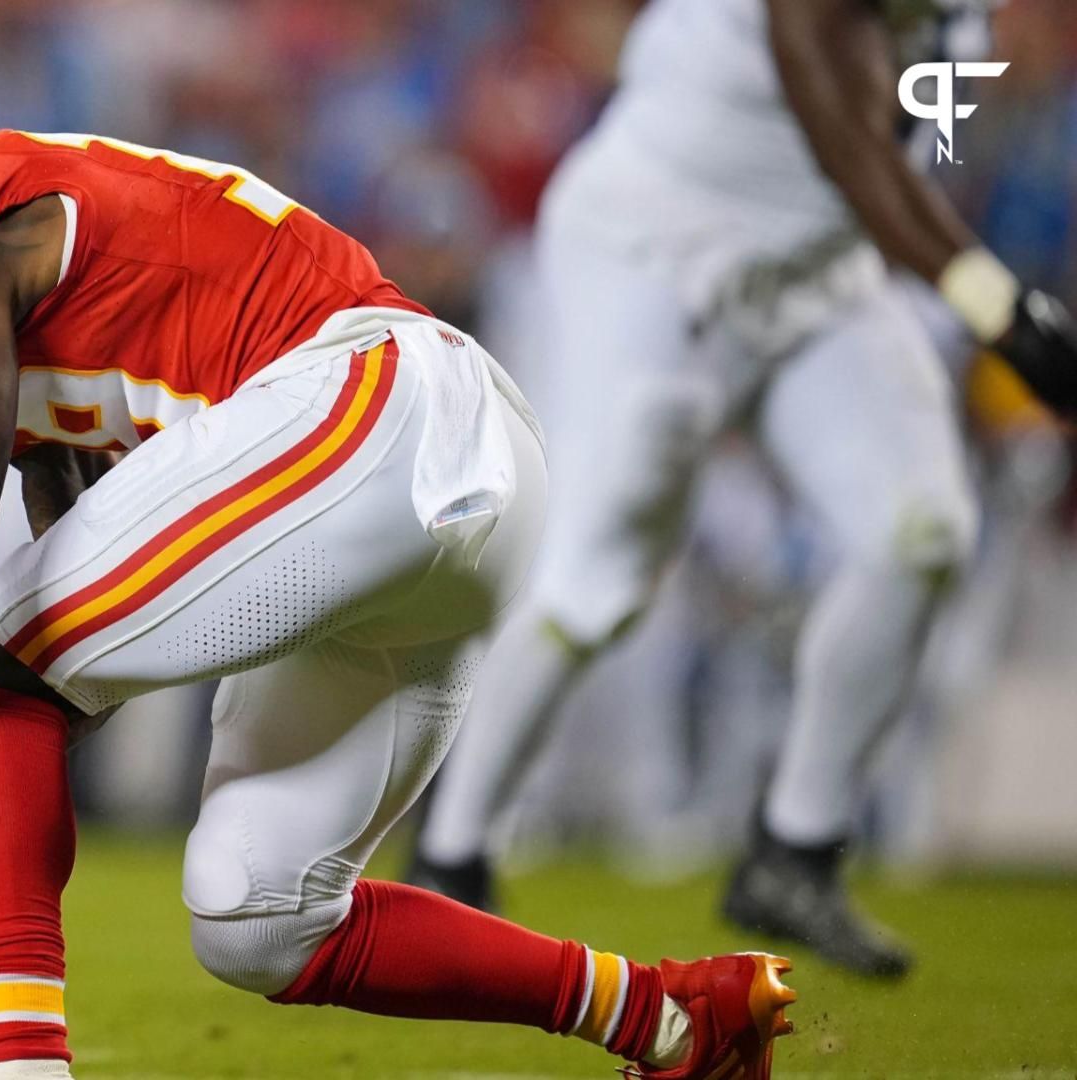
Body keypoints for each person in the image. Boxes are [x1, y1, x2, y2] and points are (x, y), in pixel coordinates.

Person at [0, 47, 797, 1080]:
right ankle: (675, 1021)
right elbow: (76, 634)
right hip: (460, 467)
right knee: (260, 913)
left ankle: (18, 1067)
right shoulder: (7, 251)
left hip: (364, 413)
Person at [407, 0, 1077, 979]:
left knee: (921, 533)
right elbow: (852, 150)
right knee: (598, 579)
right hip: (654, 263)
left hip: (817, 283)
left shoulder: (958, 22)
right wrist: (999, 308)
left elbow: (900, 146)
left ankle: (796, 850)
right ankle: (450, 860)